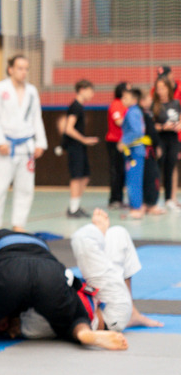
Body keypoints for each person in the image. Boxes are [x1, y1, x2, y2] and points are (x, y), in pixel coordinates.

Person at [0, 229, 128, 352]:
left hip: (8, 271)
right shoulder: (40, 244)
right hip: (50, 273)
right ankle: (83, 333)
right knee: (74, 316)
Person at [0, 55, 47, 233]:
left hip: (26, 146)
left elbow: (36, 118)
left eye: (26, 68)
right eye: (19, 68)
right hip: (6, 146)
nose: (23, 72)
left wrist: (40, 142)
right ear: (10, 69)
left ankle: (19, 225)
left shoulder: (32, 91)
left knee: (25, 189)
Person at [70, 208, 163, 332]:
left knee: (118, 234)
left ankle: (132, 313)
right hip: (110, 316)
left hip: (98, 301)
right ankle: (98, 232)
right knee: (83, 239)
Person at [62, 79, 99, 218]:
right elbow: (68, 129)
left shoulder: (79, 106)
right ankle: (72, 209)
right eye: (90, 90)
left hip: (79, 147)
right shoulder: (75, 106)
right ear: (82, 89)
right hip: (74, 147)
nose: (92, 94)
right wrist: (84, 140)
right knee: (76, 177)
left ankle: (75, 206)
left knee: (84, 176)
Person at [118, 87, 150, 219]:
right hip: (133, 151)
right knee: (132, 179)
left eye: (126, 97)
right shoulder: (133, 111)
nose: (123, 99)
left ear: (134, 100)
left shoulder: (132, 112)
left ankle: (136, 208)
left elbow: (137, 132)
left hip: (135, 152)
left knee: (133, 181)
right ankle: (134, 206)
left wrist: (124, 141)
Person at [152, 74, 180, 211]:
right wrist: (163, 127)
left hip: (173, 139)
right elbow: (150, 126)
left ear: (168, 89)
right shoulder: (155, 105)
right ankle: (154, 200)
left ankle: (169, 199)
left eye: (163, 88)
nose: (160, 91)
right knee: (157, 169)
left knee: (170, 168)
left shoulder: (175, 103)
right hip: (160, 139)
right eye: (158, 88)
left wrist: (178, 125)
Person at [105, 81, 130, 209]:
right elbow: (118, 121)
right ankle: (114, 200)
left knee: (122, 171)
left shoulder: (126, 106)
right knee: (116, 171)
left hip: (124, 142)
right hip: (114, 142)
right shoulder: (116, 104)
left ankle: (119, 199)